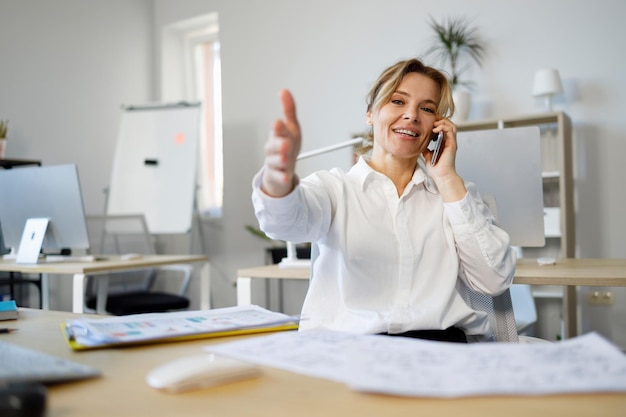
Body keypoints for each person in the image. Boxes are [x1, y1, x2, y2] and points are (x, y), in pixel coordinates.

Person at [251, 58, 516, 343]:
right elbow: (284, 222)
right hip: (352, 351)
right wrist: (279, 182)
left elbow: (493, 280)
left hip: (440, 351)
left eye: (427, 108)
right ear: (370, 113)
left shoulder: (453, 196)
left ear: (437, 126)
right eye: (398, 101)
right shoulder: (335, 188)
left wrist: (447, 176)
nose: (412, 115)